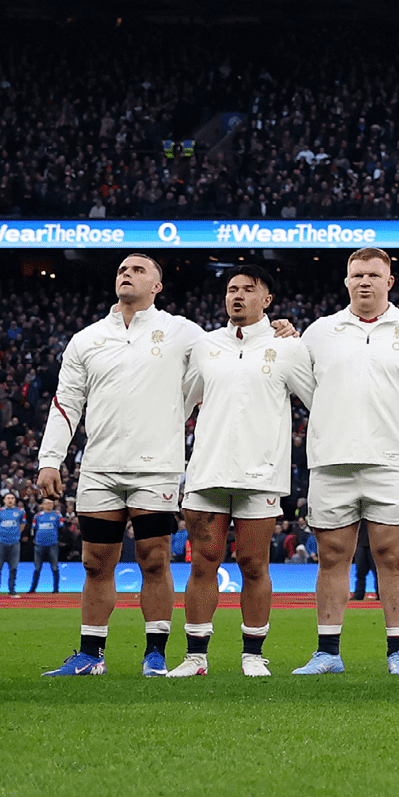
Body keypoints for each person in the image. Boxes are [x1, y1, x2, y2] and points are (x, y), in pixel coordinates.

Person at [37, 252, 201, 677]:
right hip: (100, 467)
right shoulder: (87, 338)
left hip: (156, 466)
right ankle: (91, 655)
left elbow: (228, 357)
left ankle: (155, 654)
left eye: (138, 270)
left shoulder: (182, 332)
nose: (127, 275)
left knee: (153, 558)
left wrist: (275, 333)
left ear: (156, 286)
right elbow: (66, 401)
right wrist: (50, 459)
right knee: (95, 561)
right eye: (122, 270)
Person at [296, 248, 399, 675]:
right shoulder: (319, 332)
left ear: (389, 281)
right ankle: (328, 652)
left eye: (373, 275)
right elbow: (296, 384)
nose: (364, 281)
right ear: (346, 281)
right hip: (330, 460)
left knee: (391, 554)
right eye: (356, 274)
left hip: (390, 460)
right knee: (332, 556)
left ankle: (398, 651)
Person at [174, 268, 312, 677]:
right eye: (232, 289)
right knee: (203, 561)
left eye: (248, 290)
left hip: (260, 475)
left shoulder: (287, 347)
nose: (238, 296)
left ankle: (253, 655)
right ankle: (196, 657)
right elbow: (182, 403)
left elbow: (318, 400)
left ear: (266, 300)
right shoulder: (206, 345)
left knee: (254, 564)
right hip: (206, 472)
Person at [29, 497, 62, 594]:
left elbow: (61, 528)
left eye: (51, 503)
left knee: (54, 566)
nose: (49, 505)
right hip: (39, 544)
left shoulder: (57, 515)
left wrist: (58, 539)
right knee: (37, 567)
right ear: (42, 505)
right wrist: (34, 540)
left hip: (52, 543)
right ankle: (33, 589)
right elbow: (33, 529)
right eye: (47, 503)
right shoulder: (37, 516)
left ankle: (56, 589)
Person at [0, 497, 20, 594]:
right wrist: (0, 535)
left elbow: (22, 526)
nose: (10, 500)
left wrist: (14, 534)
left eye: (12, 498)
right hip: (0, 542)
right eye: (8, 498)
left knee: (13, 567)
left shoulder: (20, 512)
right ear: (4, 500)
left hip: (14, 542)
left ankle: (12, 589)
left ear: (15, 500)